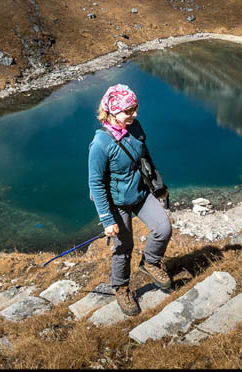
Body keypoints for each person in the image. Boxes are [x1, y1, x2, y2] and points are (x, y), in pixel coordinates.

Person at [87, 84, 173, 317]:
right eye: (128, 111)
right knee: (123, 247)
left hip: (141, 194)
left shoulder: (134, 126)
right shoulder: (100, 144)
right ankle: (121, 288)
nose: (134, 114)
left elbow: (145, 157)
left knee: (163, 229)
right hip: (117, 204)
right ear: (112, 112)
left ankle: (150, 262)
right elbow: (95, 183)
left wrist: (158, 185)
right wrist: (107, 220)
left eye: (135, 108)